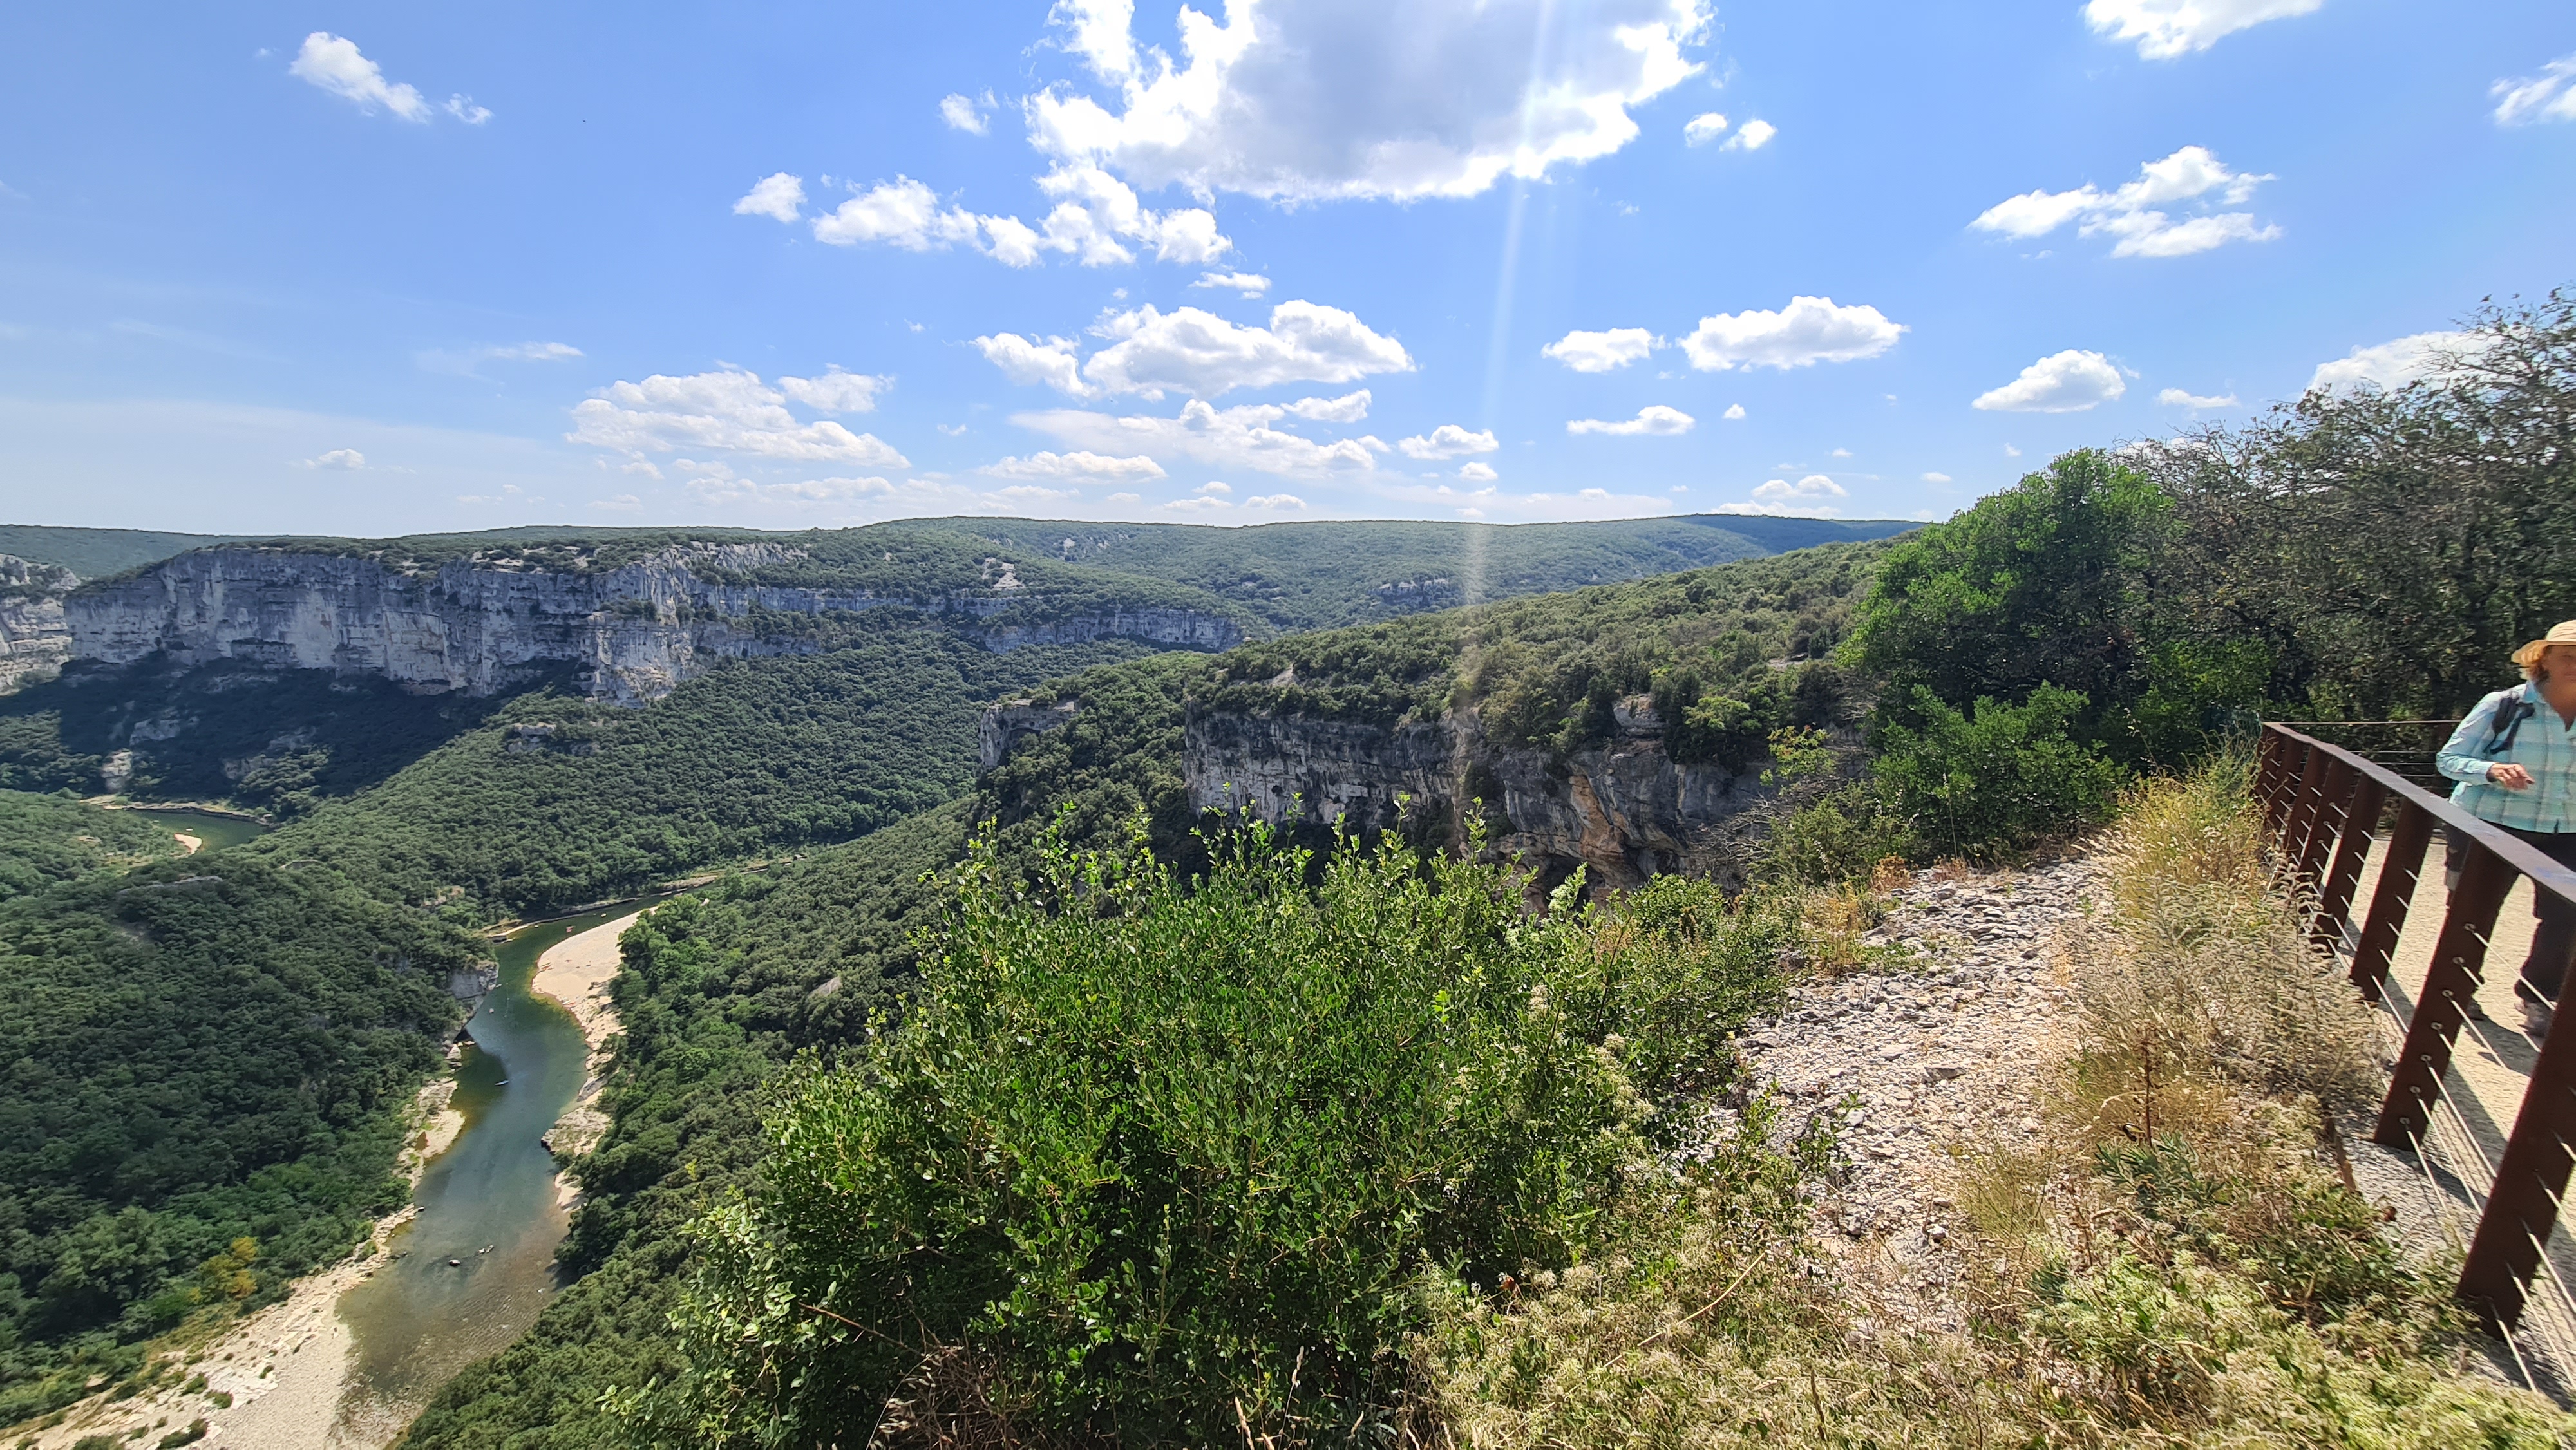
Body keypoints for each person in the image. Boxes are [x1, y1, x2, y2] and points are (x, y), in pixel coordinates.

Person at [2438, 619, 2576, 1037]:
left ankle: (2537, 997)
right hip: (2489, 825)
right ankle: (2455, 992)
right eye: (2568, 655)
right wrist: (2492, 769)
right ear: (2544, 659)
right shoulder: (2504, 705)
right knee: (2472, 911)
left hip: (2565, 829)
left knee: (2566, 915)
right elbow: (2449, 760)